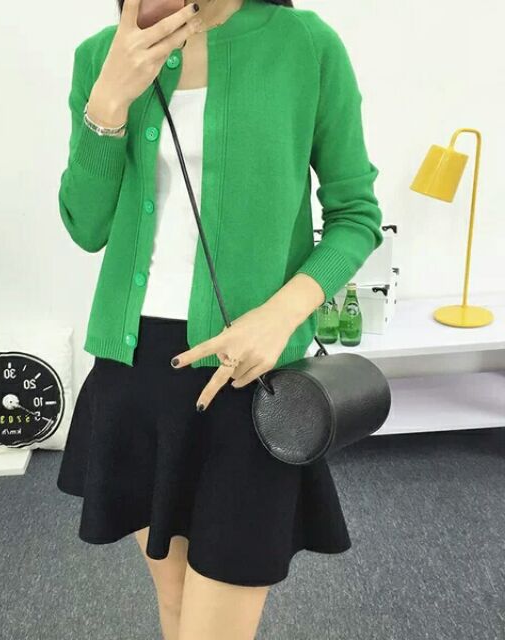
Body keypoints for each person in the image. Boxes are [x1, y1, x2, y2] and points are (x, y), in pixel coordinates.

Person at [56, 0, 384, 638]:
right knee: (176, 606)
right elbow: (85, 225)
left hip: (247, 378)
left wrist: (279, 317)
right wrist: (109, 102)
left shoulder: (304, 44)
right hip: (133, 371)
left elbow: (356, 214)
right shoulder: (102, 54)